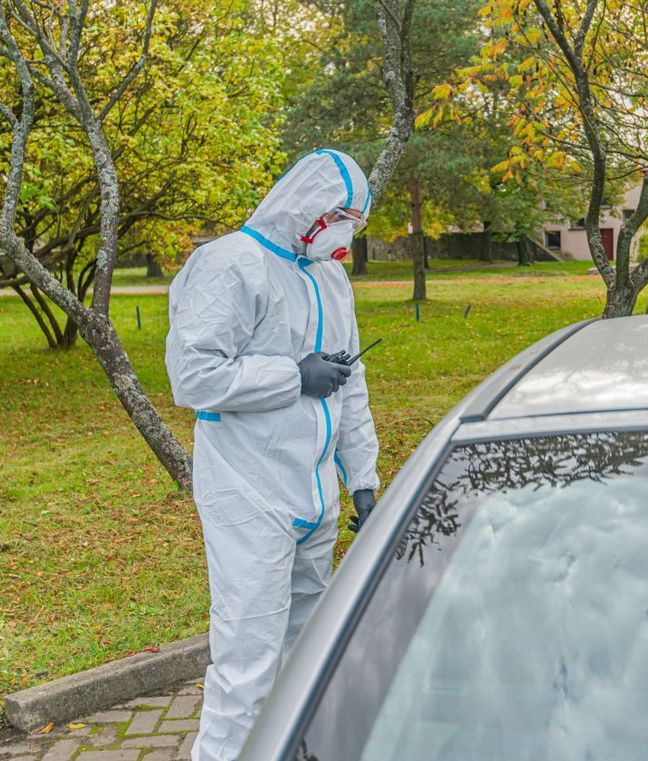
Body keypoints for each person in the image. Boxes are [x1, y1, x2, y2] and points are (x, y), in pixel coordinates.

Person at [164, 149, 380, 761]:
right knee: (248, 658)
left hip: (314, 494)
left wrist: (361, 476)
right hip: (248, 489)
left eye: (355, 222)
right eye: (340, 215)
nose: (343, 233)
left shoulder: (330, 278)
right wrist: (292, 376)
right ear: (305, 203)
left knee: (308, 648)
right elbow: (194, 376)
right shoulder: (231, 264)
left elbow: (352, 382)